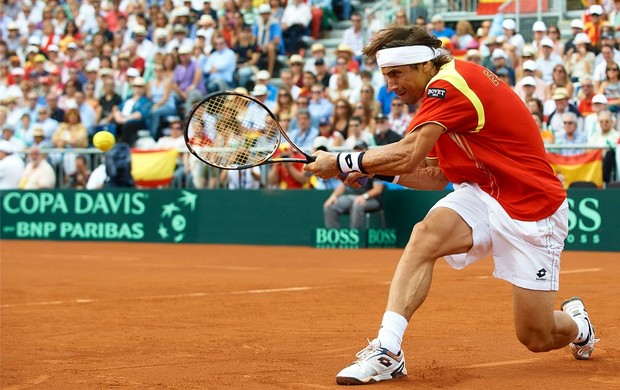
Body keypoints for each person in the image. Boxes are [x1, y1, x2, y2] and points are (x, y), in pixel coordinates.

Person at [304, 25, 598, 385]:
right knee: (425, 235)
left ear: (425, 66)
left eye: (397, 74)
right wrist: (372, 173)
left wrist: (341, 162)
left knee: (536, 336)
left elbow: (409, 154)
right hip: (483, 193)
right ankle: (388, 350)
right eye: (385, 76)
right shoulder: (440, 92)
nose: (391, 86)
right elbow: (435, 175)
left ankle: (579, 326)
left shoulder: (451, 85)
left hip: (532, 208)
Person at [323, 141, 384, 229]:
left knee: (357, 205)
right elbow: (343, 185)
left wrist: (364, 196)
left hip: (371, 199)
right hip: (352, 197)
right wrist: (333, 196)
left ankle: (356, 237)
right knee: (330, 205)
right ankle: (334, 237)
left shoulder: (374, 167)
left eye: (360, 150)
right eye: (356, 150)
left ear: (367, 151)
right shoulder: (351, 167)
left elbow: (378, 189)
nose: (358, 152)